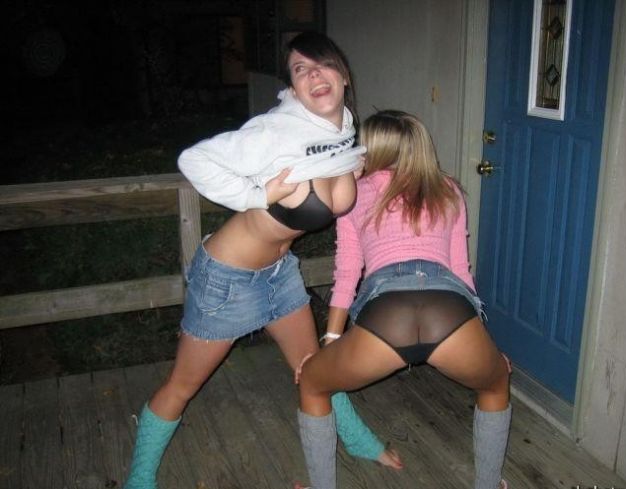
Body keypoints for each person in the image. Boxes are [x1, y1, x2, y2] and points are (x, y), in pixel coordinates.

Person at [122, 32, 401, 489]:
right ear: (292, 87)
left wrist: (358, 168)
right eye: (300, 69)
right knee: (183, 386)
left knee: (314, 367)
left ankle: (355, 439)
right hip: (227, 278)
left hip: (280, 274)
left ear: (344, 75)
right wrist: (256, 193)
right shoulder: (276, 131)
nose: (314, 75)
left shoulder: (343, 128)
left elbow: (340, 168)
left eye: (322, 64)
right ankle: (139, 479)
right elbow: (195, 160)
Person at [295, 110, 512, 489]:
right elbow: (462, 272)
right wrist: (486, 347)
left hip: (387, 312)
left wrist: (330, 341)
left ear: (374, 149)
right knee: (496, 383)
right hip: (449, 310)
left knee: (312, 382)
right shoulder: (448, 189)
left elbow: (347, 273)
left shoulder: (353, 193)